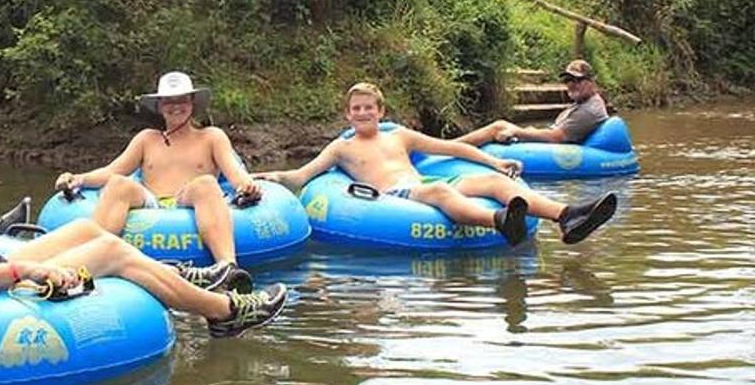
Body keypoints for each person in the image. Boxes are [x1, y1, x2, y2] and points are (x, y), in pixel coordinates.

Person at [0, 141, 288, 338]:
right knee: (109, 249)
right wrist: (22, 268)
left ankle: (172, 276)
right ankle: (223, 313)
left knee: (87, 229)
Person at [254, 83, 617, 246]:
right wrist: (267, 177)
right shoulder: (341, 148)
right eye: (356, 109)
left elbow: (453, 149)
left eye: (369, 108)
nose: (363, 113)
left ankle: (567, 215)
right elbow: (301, 176)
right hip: (393, 197)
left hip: (419, 185)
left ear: (381, 111)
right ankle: (500, 221)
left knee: (493, 184)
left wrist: (493, 159)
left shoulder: (400, 136)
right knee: (440, 190)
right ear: (348, 115)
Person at [53, 71, 261, 290]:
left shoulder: (211, 137)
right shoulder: (147, 139)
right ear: (160, 105)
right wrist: (78, 179)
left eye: (181, 99)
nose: (176, 106)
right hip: (151, 200)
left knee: (206, 184)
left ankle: (228, 268)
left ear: (192, 102)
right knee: (117, 184)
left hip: (188, 198)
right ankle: (86, 262)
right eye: (169, 101)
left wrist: (246, 186)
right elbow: (112, 171)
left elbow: (235, 173)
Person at [455, 59, 609, 146]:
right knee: (504, 127)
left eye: (577, 80)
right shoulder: (584, 102)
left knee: (499, 126)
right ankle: (449, 147)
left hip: (558, 149)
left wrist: (517, 132)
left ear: (591, 82)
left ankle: (448, 147)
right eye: (568, 80)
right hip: (557, 142)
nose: (571, 84)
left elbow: (556, 137)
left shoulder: (589, 110)